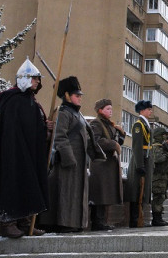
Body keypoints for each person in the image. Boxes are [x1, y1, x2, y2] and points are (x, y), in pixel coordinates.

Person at [0, 58, 50, 238]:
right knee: (13, 183)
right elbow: (13, 130)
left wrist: (44, 127)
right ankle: (8, 221)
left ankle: (24, 222)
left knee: (28, 183)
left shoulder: (30, 100)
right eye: (34, 78)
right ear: (24, 78)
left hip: (28, 152)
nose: (38, 82)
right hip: (14, 152)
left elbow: (31, 126)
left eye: (38, 79)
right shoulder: (14, 101)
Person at [39, 76, 105, 232]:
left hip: (79, 162)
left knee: (75, 195)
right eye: (77, 95)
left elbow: (85, 137)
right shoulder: (63, 113)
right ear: (67, 96)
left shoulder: (75, 114)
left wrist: (95, 152)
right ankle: (65, 223)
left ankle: (74, 223)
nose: (80, 98)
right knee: (66, 194)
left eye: (80, 95)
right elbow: (60, 137)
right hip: (67, 162)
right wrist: (69, 159)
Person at [88, 99, 125, 231]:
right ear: (100, 110)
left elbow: (116, 141)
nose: (111, 111)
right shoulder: (96, 124)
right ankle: (97, 222)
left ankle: (102, 221)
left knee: (106, 195)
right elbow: (95, 141)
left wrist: (121, 135)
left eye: (111, 108)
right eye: (108, 109)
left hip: (108, 165)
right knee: (100, 194)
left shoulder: (109, 124)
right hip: (100, 165)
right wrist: (113, 144)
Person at [127, 100, 154, 227]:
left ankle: (140, 218)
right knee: (137, 190)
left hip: (146, 159)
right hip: (140, 160)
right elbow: (137, 146)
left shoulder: (146, 124)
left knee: (143, 191)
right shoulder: (139, 125)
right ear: (142, 110)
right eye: (148, 109)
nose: (150, 111)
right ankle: (135, 219)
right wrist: (140, 165)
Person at [151, 127, 168, 226]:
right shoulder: (156, 146)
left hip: (163, 176)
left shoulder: (162, 145)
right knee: (158, 197)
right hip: (158, 177)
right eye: (163, 135)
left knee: (161, 197)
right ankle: (156, 219)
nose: (165, 137)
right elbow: (157, 159)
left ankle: (159, 217)